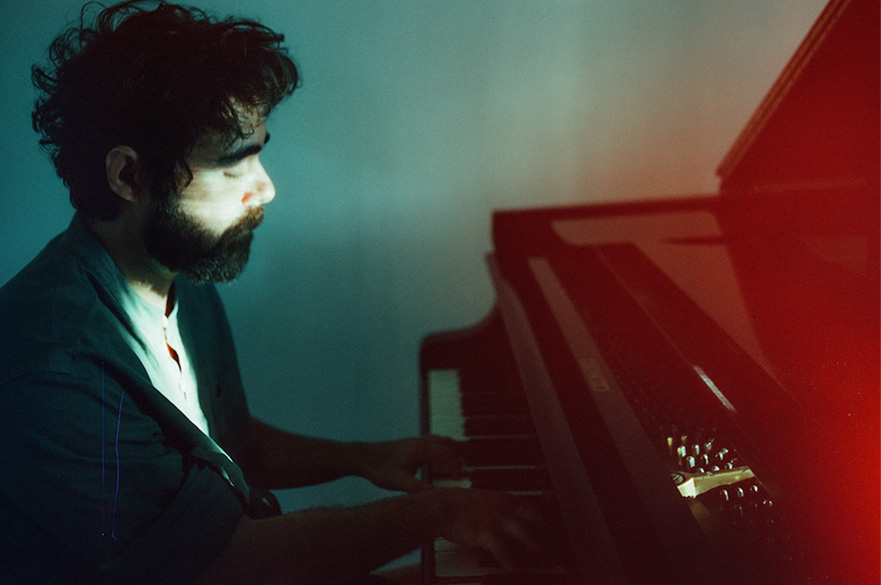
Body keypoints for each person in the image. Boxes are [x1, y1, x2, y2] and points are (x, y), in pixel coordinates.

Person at [0, 1, 547, 584]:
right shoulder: (51, 365)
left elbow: (227, 450)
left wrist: (365, 458)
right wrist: (437, 511)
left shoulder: (175, 268)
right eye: (235, 165)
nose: (266, 189)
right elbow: (228, 563)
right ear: (129, 176)